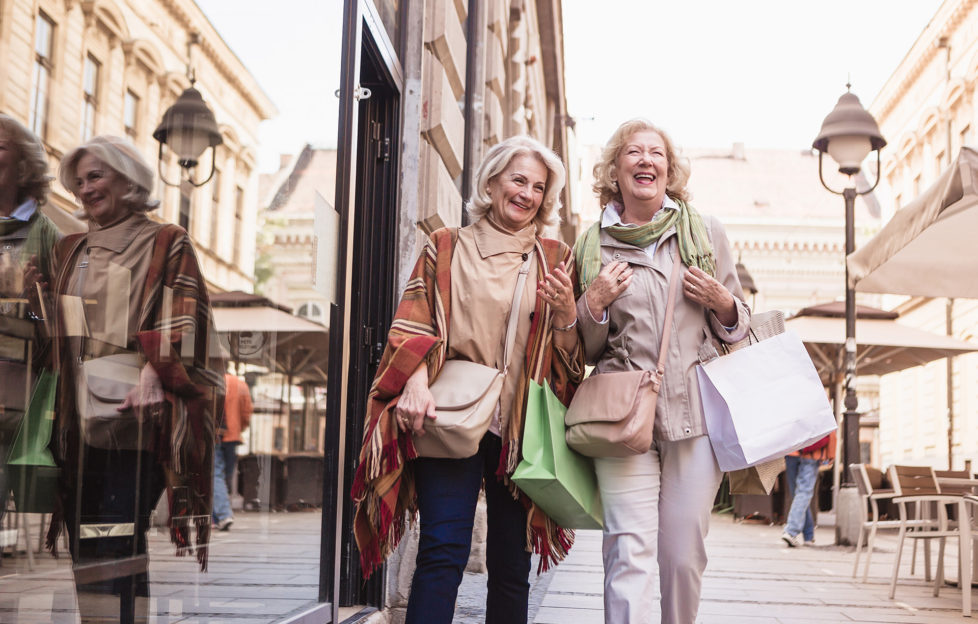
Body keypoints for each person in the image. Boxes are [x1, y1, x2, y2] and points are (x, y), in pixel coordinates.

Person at [351, 135, 584, 624]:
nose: (527, 194)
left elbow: (572, 357)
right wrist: (413, 381)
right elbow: (413, 323)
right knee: (442, 549)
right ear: (492, 181)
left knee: (511, 563)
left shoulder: (557, 257)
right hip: (451, 415)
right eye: (518, 180)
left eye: (538, 187)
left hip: (521, 427)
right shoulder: (446, 246)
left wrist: (566, 315)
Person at [573, 119, 750, 624]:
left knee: (682, 555)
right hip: (622, 415)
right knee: (627, 552)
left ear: (669, 171)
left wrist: (724, 302)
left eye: (656, 153)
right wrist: (594, 304)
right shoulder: (592, 245)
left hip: (693, 415)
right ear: (615, 169)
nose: (645, 160)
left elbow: (739, 330)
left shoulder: (704, 232)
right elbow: (584, 348)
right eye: (633, 152)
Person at [44, 135, 223, 622]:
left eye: (96, 176)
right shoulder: (68, 247)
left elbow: (190, 317)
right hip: (74, 419)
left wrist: (153, 372)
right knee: (88, 537)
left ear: (128, 180)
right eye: (78, 181)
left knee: (118, 532)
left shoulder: (164, 240)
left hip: (135, 414)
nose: (85, 188)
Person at [0, 114, 61, 519]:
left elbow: (64, 331)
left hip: (9, 399)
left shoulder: (46, 234)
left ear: (23, 167)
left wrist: (33, 308)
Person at [213, 371, 252, 531]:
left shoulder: (209, 379)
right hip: (231, 436)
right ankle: (219, 515)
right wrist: (238, 428)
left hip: (213, 435)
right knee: (223, 475)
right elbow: (246, 413)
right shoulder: (240, 384)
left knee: (216, 475)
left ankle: (221, 515)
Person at [781, 433, 832, 547]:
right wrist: (831, 454)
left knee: (799, 495)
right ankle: (791, 531)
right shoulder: (822, 414)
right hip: (812, 454)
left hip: (793, 451)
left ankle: (808, 535)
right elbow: (831, 431)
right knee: (803, 494)